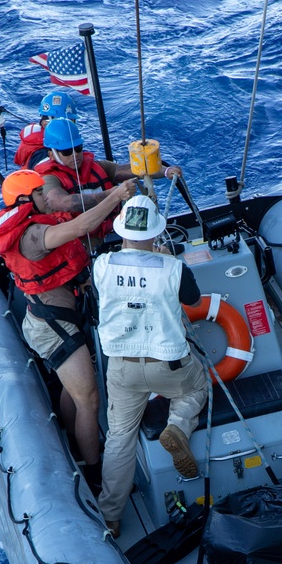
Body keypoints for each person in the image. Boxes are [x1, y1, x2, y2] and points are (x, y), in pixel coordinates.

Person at [0, 168, 136, 484]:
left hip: (60, 318)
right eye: (39, 193)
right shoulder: (34, 236)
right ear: (25, 201)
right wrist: (117, 196)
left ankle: (74, 442)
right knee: (88, 399)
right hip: (53, 327)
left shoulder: (35, 224)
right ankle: (94, 471)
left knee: (72, 388)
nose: (46, 197)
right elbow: (82, 225)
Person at [94, 195, 206, 537]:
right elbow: (194, 300)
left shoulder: (101, 265)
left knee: (120, 437)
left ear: (121, 231)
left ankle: (110, 516)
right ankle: (178, 424)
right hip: (169, 366)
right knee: (198, 388)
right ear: (156, 233)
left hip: (123, 368)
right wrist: (168, 259)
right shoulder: (173, 268)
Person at [37, 117, 183, 235]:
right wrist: (112, 194)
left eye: (78, 148)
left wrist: (164, 171)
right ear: (52, 154)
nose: (75, 154)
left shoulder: (98, 167)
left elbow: (132, 170)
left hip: (114, 233)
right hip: (80, 246)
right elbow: (63, 202)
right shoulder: (48, 179)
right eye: (67, 151)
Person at [13, 89, 80, 171]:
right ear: (45, 123)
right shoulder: (42, 154)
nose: (70, 126)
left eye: (71, 122)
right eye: (65, 122)